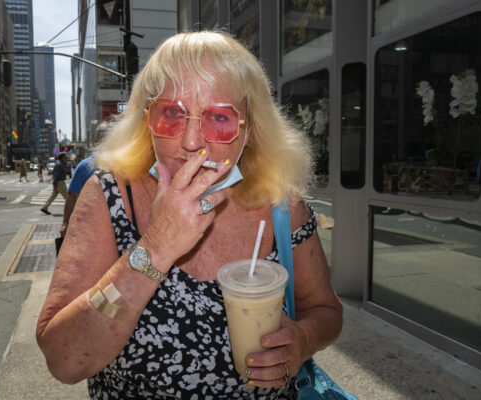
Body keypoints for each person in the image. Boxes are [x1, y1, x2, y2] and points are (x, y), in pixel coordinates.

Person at [37, 31, 343, 398]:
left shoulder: (283, 206)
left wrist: (303, 339)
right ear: (146, 120)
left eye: (219, 117)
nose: (192, 141)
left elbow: (326, 310)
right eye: (172, 114)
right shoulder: (110, 196)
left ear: (249, 130)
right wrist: (156, 248)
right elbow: (64, 361)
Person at [59, 154, 96, 238]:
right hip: (91, 227)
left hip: (89, 228)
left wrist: (65, 222)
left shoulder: (84, 165)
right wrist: (65, 222)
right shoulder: (85, 165)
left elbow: (72, 195)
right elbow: (72, 195)